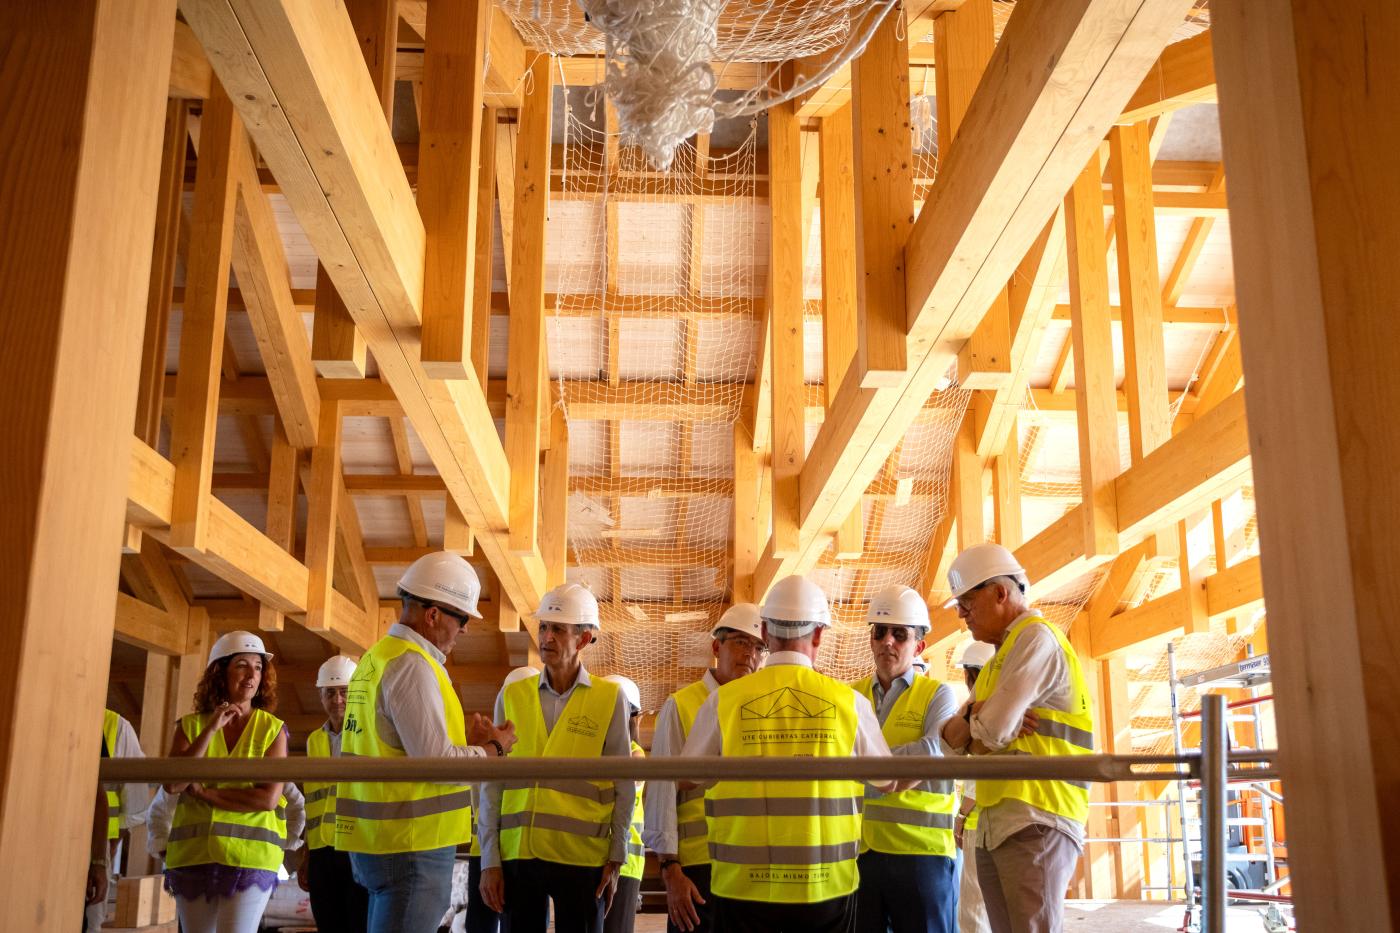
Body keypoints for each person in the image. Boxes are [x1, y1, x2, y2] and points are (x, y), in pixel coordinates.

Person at [680, 575, 910, 933]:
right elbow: (888, 780)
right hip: (826, 888)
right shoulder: (851, 704)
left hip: (742, 887)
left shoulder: (724, 701)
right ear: (818, 635)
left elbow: (688, 777)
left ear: (767, 633)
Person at [337, 551, 518, 933]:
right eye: (462, 618)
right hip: (410, 845)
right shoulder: (413, 664)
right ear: (433, 615)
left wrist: (465, 741)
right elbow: (437, 763)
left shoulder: (378, 658)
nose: (465, 629)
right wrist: (494, 749)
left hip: (378, 840)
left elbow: (393, 741)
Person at [938, 544, 1094, 933]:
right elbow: (948, 743)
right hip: (1000, 824)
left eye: (967, 602)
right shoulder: (996, 663)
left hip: (1038, 816)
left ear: (1000, 593)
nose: (961, 615)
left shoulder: (1036, 639)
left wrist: (976, 725)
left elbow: (990, 732)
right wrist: (979, 715)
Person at [479, 582, 637, 933]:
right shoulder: (512, 694)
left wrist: (616, 856)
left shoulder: (610, 698)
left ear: (583, 640)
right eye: (543, 627)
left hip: (583, 860)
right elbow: (493, 783)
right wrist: (489, 860)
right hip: (518, 857)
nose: (546, 637)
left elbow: (623, 783)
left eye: (558, 630)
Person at [644, 603, 767, 933]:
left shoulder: (762, 708)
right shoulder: (682, 705)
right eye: (741, 642)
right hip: (698, 869)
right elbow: (661, 791)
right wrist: (670, 869)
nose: (750, 656)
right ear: (716, 647)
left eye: (759, 647)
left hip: (751, 869)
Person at [850, 585, 961, 933]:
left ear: (919, 645)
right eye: (880, 632)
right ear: (870, 638)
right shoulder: (849, 696)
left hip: (922, 857)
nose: (888, 642)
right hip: (860, 854)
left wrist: (860, 761)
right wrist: (897, 766)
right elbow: (834, 758)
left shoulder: (938, 694)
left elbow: (930, 756)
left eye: (900, 634)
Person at [163, 630, 287, 933]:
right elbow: (173, 784)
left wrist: (205, 794)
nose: (251, 676)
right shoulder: (191, 726)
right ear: (220, 672)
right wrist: (211, 729)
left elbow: (267, 799)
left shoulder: (272, 729)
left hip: (251, 859)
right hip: (193, 857)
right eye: (242, 665)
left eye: (258, 667)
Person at [465, 666, 539, 933]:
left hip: (514, 853)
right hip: (488, 852)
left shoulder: (532, 748)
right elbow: (483, 798)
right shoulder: (491, 747)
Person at [299, 655, 368, 933]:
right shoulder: (314, 740)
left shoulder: (368, 735)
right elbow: (312, 803)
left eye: (344, 692)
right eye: (330, 693)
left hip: (358, 847)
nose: (337, 700)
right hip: (321, 853)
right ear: (321, 696)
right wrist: (306, 855)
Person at [88, 708, 150, 931]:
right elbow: (136, 806)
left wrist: (104, 852)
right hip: (96, 847)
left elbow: (135, 805)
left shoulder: (117, 727)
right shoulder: (114, 725)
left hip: (94, 845)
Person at [953, 641, 995, 933]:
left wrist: (961, 816)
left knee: (973, 909)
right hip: (1010, 822)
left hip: (978, 825)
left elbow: (976, 776)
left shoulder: (975, 712)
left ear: (969, 676)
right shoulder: (1012, 705)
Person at [601, 674, 647, 933]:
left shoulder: (635, 754)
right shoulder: (596, 750)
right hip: (594, 856)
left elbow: (629, 779)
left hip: (625, 863)